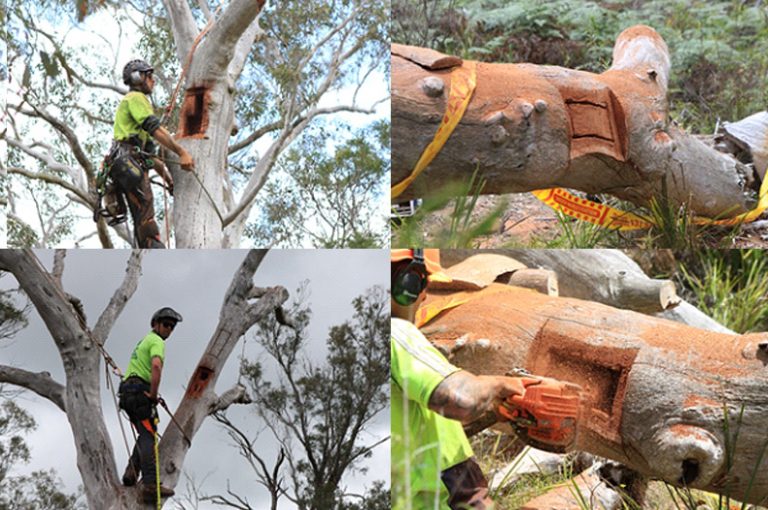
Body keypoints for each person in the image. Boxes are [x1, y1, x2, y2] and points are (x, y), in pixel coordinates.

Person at [391, 249, 536, 510]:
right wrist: (498, 385)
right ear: (407, 282)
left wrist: (492, 407)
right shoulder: (395, 333)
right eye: (423, 284)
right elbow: (460, 399)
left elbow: (409, 422)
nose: (424, 297)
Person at [109, 59, 195, 248]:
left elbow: (151, 157)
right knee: (146, 222)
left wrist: (169, 180)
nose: (153, 81)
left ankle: (147, 247)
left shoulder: (136, 114)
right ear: (138, 78)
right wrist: (182, 152)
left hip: (126, 163)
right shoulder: (135, 98)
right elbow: (154, 128)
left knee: (142, 218)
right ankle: (153, 249)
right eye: (149, 76)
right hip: (127, 161)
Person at [119, 306, 182, 503]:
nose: (169, 329)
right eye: (166, 324)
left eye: (172, 327)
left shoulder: (144, 341)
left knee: (145, 432)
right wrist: (153, 395)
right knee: (149, 436)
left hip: (127, 393)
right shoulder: (156, 341)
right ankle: (150, 484)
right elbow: (156, 366)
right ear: (155, 324)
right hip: (140, 392)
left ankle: (131, 472)